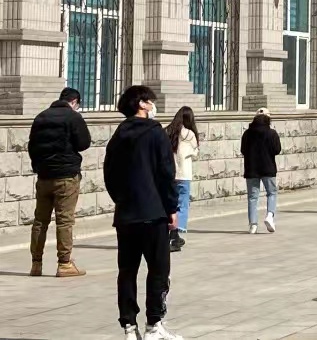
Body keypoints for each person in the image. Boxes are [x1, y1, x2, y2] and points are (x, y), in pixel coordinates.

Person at [104, 85, 182, 340]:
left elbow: (109, 174)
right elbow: (166, 173)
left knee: (127, 271)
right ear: (141, 104)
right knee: (159, 269)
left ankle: (129, 326)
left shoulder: (118, 135)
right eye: (150, 101)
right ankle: (154, 325)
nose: (153, 105)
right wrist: (171, 207)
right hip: (153, 212)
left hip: (126, 215)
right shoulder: (155, 132)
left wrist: (122, 200)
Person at [27, 87, 91, 278]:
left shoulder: (41, 117)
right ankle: (64, 264)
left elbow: (32, 146)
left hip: (44, 176)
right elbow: (84, 143)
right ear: (74, 102)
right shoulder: (73, 117)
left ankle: (36, 264)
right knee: (64, 221)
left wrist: (39, 166)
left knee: (40, 221)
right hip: (66, 176)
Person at [164, 107, 199, 253]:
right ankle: (176, 234)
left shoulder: (167, 131)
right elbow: (195, 152)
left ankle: (170, 234)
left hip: (170, 174)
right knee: (182, 205)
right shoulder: (189, 134)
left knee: (169, 205)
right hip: (184, 174)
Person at [241, 111, 281, 233]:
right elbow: (277, 150)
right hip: (268, 168)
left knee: (252, 197)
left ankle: (253, 225)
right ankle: (270, 215)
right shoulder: (272, 133)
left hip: (251, 169)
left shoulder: (247, 134)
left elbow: (243, 150)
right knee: (271, 193)